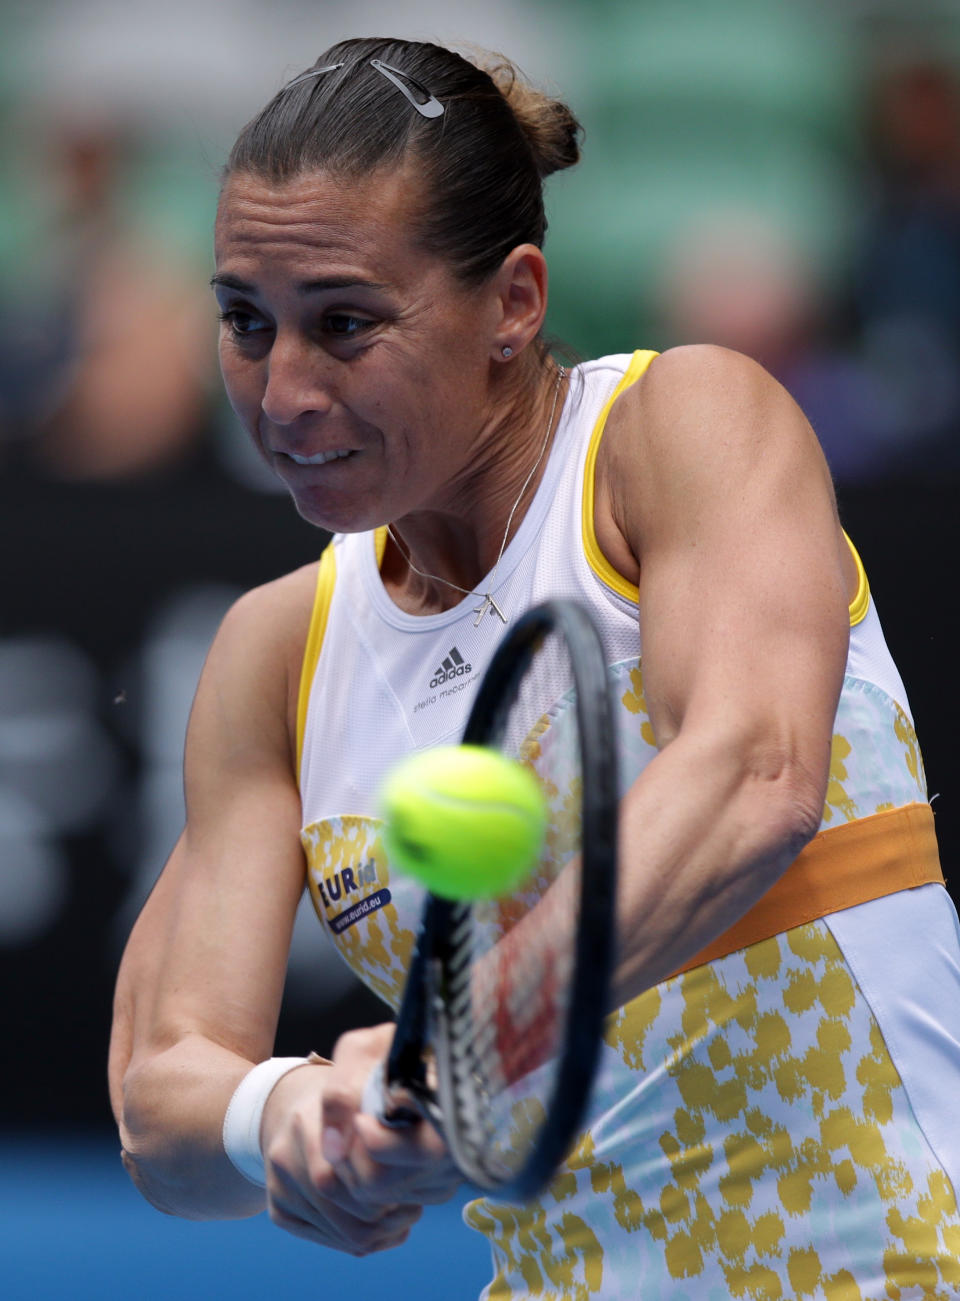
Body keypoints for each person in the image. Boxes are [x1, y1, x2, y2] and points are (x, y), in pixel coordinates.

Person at [109, 37, 960, 1297]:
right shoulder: (274, 648)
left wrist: (460, 1044)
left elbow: (752, 774)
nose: (281, 393)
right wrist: (289, 1114)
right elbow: (160, 1089)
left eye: (344, 323)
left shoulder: (679, 430)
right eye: (246, 322)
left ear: (514, 300)